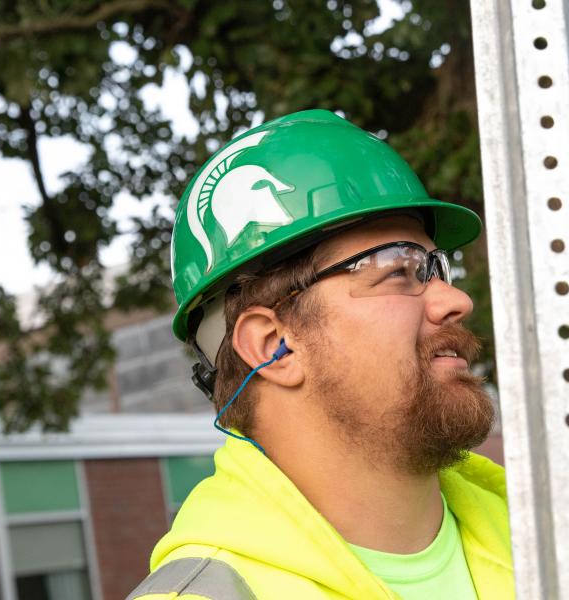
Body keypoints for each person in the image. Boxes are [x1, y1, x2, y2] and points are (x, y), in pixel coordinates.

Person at [128, 109, 512, 600]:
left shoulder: (560, 540)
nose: (456, 301)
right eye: (399, 268)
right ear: (275, 347)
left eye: (438, 268)